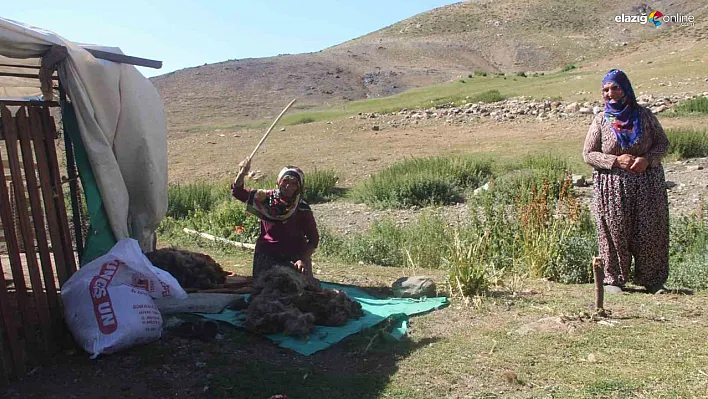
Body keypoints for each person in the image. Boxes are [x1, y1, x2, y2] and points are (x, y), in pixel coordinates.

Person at [583, 69, 670, 294]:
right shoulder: (601, 120)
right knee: (613, 231)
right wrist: (615, 160)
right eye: (605, 90)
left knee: (650, 230)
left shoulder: (645, 116)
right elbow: (588, 154)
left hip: (647, 184)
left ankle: (653, 281)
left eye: (615, 88)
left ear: (626, 89)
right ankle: (614, 280)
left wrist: (647, 159)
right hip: (612, 188)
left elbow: (662, 144)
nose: (610, 93)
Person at [231, 158, 320, 281]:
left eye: (294, 183)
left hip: (295, 259)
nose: (288, 186)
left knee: (303, 293)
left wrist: (302, 259)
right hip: (267, 256)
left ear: (299, 186)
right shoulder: (265, 199)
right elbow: (237, 192)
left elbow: (313, 239)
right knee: (266, 291)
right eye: (285, 181)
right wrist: (242, 173)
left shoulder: (302, 208)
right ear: (279, 181)